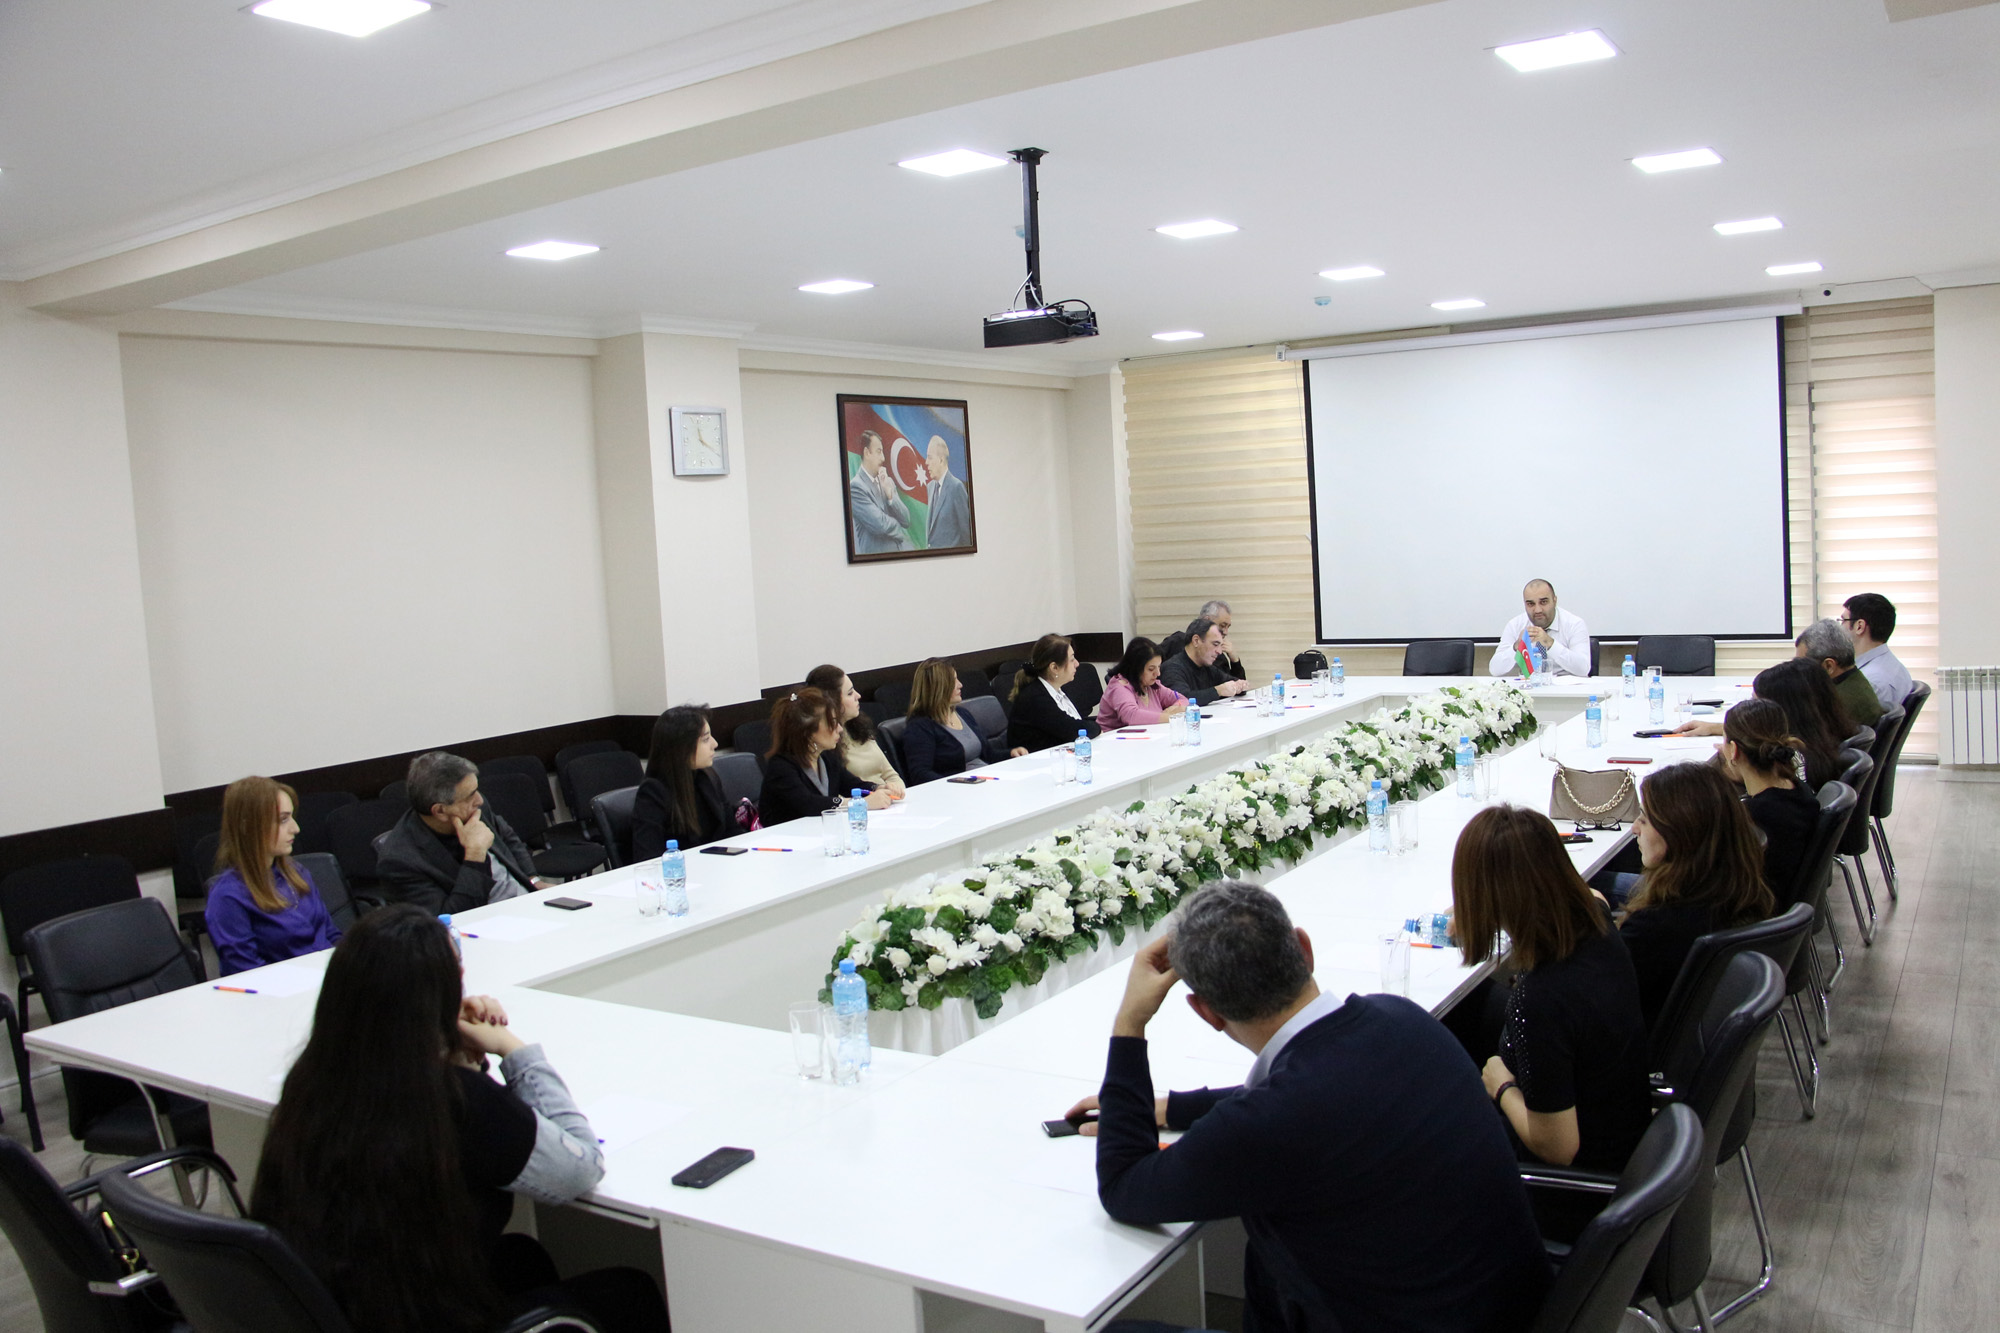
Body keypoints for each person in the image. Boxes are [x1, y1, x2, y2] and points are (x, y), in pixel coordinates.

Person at [1071, 881, 1550, 1333]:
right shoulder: (1401, 1018)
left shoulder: (1269, 1124)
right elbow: (1314, 1097)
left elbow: (1123, 1185)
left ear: (1206, 1011)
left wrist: (1131, 1020)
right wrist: (1171, 1109)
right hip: (1518, 1312)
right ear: (1304, 949)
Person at [251, 906, 668, 1333]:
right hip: (420, 1316)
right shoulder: (450, 1099)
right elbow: (581, 1167)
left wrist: (455, 1051)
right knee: (630, 1292)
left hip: (339, 1309)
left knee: (521, 1258)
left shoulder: (310, 1083)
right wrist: (511, 1049)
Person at [1453, 805, 1651, 1173]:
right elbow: (1591, 893)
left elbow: (1558, 1148)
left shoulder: (1540, 1000)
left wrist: (1502, 1087)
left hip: (1573, 1183)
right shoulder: (1597, 921)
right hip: (1625, 1133)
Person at [1616, 764, 1775, 1030]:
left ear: (1677, 834)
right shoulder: (1739, 894)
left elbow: (1597, 1001)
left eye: (1643, 819)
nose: (1634, 829)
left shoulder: (1653, 929)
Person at [204, 776, 341, 976]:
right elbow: (247, 972)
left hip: (326, 979)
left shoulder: (297, 873)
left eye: (291, 817)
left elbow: (331, 934)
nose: (295, 828)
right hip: (286, 990)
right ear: (247, 826)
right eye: (283, 819)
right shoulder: (228, 897)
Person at [377, 752, 545, 914]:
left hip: (525, 902)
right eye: (470, 796)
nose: (479, 800)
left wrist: (533, 880)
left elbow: (508, 838)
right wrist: (475, 856)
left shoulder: (473, 808)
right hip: (486, 922)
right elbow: (451, 919)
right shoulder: (400, 862)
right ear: (440, 811)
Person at [1674, 658, 1852, 788]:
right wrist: (1718, 729)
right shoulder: (1818, 740)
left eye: (1757, 703)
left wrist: (1734, 762)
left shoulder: (1790, 763)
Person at [1719, 698, 1822, 904]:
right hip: (1783, 904)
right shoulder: (1798, 789)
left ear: (1734, 750)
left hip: (1753, 909)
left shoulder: (1755, 816)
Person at [758, 688, 893, 825]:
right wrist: (860, 803)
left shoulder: (827, 757)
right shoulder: (781, 766)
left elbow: (852, 785)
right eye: (832, 723)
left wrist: (878, 788)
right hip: (785, 835)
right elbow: (808, 804)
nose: (840, 729)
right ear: (808, 731)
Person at [632, 705, 729, 861]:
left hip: (717, 865)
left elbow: (732, 830)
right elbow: (648, 857)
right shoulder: (653, 792)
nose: (715, 744)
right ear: (683, 747)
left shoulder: (708, 777)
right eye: (705, 739)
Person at [804, 664, 905, 797]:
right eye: (850, 693)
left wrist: (894, 791)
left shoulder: (858, 727)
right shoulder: (825, 744)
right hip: (860, 805)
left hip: (885, 800)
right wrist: (874, 799)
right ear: (832, 701)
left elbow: (891, 775)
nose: (858, 696)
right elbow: (836, 793)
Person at [1007, 633, 1104, 753]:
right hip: (1035, 761)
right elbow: (1074, 730)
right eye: (1072, 659)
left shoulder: (1055, 690)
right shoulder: (1036, 698)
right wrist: (1096, 727)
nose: (1077, 664)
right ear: (1054, 668)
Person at [902, 658, 993, 783]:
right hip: (960, 788)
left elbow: (990, 755)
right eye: (954, 681)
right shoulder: (919, 727)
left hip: (987, 778)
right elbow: (920, 774)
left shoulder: (962, 713)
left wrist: (1012, 753)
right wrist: (957, 783)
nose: (960, 685)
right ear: (938, 687)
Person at [1488, 578, 1591, 678]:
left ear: (1554, 601)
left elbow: (1583, 669)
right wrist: (1516, 646)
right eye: (1530, 604)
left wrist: (1551, 644)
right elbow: (1495, 669)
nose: (1537, 610)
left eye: (1543, 602)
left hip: (1565, 685)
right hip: (1529, 685)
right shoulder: (1515, 625)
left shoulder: (1574, 624)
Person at [1796, 617, 1883, 730]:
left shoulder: (1836, 707)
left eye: (1802, 665)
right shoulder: (1856, 682)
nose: (1798, 671)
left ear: (1829, 666)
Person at [1096, 637, 1190, 729]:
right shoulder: (1120, 687)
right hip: (1115, 738)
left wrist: (1175, 709)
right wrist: (1171, 717)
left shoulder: (1152, 686)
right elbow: (1131, 716)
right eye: (1151, 669)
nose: (1158, 673)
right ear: (1136, 668)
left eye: (1159, 667)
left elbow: (1182, 699)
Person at [1844, 592, 1913, 712]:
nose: (1839, 627)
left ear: (1859, 627)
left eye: (1843, 620)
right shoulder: (1889, 664)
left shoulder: (1872, 682)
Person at [848, 429, 913, 554]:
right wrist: (899, 529)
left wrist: (890, 496)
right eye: (879, 452)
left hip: (898, 559)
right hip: (876, 562)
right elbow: (880, 525)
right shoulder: (856, 487)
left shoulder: (888, 482)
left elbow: (906, 520)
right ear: (867, 453)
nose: (883, 458)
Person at [1159, 618, 1251, 705]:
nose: (1219, 652)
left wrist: (1240, 685)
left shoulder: (1208, 668)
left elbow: (1234, 683)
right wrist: (1218, 691)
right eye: (1215, 644)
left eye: (1220, 646)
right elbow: (1182, 700)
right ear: (1196, 641)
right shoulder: (1172, 669)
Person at [923, 435, 973, 549]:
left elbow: (967, 534)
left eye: (930, 458)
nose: (926, 462)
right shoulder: (930, 487)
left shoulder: (956, 487)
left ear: (941, 460)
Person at [1197, 599, 1249, 682]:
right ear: (1206, 621)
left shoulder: (1220, 654)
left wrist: (1235, 661)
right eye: (1222, 626)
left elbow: (1240, 686)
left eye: (1228, 627)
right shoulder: (1180, 642)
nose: (1225, 632)